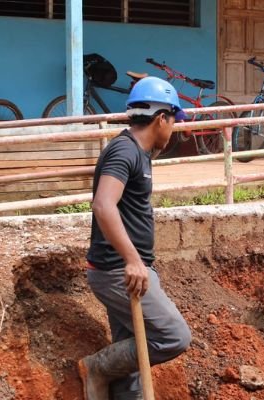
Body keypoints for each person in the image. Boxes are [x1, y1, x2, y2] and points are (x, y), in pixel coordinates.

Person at [78, 76, 192, 400]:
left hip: (130, 272)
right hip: (118, 271)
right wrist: (132, 260)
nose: (174, 130)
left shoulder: (139, 153)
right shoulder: (124, 151)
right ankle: (97, 367)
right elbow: (103, 204)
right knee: (174, 335)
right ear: (161, 119)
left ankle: (106, 380)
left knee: (131, 371)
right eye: (174, 121)